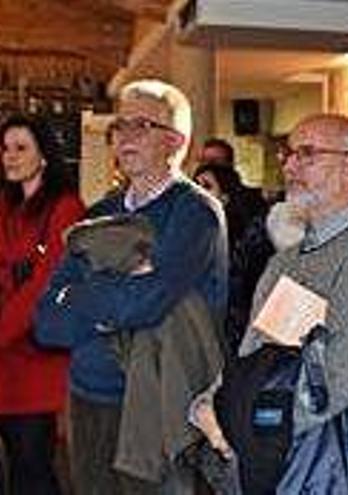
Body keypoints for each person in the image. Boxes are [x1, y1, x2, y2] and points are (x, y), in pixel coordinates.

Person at [35, 79, 227, 494]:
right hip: (87, 398)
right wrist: (114, 297)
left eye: (140, 125)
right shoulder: (100, 213)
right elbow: (47, 319)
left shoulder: (194, 213)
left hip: (156, 405)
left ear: (174, 142)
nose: (124, 137)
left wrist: (84, 299)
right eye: (119, 127)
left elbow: (146, 304)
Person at [236, 114, 348, 489]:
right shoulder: (288, 257)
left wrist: (250, 422)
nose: (290, 166)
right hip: (280, 445)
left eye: (308, 154)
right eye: (289, 154)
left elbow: (336, 380)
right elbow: (253, 352)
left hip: (337, 455)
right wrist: (218, 403)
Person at [0, 114, 85, 495]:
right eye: (5, 149)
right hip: (4, 358)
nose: (10, 157)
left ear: (45, 156)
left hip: (37, 364)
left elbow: (44, 285)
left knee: (32, 472)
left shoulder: (66, 208)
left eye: (21, 148)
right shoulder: (5, 206)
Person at [193, 162, 269, 357]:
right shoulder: (186, 234)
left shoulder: (246, 240)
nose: (197, 192)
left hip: (231, 335)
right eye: (195, 184)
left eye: (207, 186)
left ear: (225, 198)